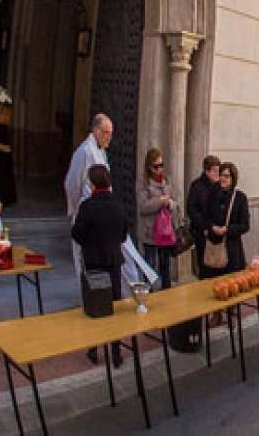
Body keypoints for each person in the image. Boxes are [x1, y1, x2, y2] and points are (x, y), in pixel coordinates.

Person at [71, 164, 128, 367]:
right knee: (114, 306)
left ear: (92, 183)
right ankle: (116, 352)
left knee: (95, 307)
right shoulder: (118, 205)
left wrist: (90, 242)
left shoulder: (88, 207)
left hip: (94, 262)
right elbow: (123, 234)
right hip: (113, 261)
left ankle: (94, 349)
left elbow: (77, 233)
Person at [63, 113, 112, 288]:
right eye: (106, 132)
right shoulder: (84, 151)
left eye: (110, 133)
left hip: (103, 211)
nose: (109, 137)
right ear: (96, 131)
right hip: (87, 211)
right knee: (84, 258)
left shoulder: (100, 151)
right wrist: (78, 207)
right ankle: (88, 295)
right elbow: (72, 183)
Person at [136, 147, 179, 289]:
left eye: (161, 165)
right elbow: (143, 206)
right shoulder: (142, 182)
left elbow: (174, 200)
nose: (159, 169)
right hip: (151, 231)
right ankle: (147, 294)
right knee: (150, 264)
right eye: (156, 166)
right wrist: (160, 201)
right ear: (149, 166)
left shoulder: (167, 180)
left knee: (165, 264)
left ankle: (166, 292)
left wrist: (170, 203)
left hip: (165, 231)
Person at [202, 162, 250, 278]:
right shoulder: (212, 195)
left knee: (232, 284)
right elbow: (205, 218)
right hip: (214, 248)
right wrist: (212, 227)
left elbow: (245, 225)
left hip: (232, 250)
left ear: (233, 178)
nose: (222, 178)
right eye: (221, 175)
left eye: (226, 176)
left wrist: (227, 229)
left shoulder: (240, 198)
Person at [187, 155, 220, 275]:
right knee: (204, 265)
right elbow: (191, 209)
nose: (218, 173)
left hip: (217, 232)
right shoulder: (196, 185)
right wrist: (204, 226)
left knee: (218, 265)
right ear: (207, 171)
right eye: (215, 171)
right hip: (201, 233)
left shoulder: (220, 186)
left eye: (219, 170)